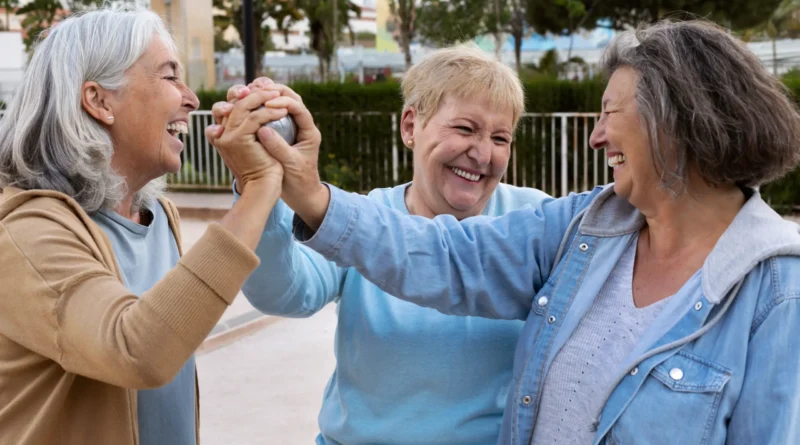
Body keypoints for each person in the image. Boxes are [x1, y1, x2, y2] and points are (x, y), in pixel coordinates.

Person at [259, 20, 800, 444]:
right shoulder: (584, 228)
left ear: (678, 122)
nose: (595, 136)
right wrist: (303, 192)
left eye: (610, 112)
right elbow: (446, 257)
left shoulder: (777, 289)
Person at [207, 44, 550, 445]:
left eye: (500, 138)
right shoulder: (364, 218)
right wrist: (258, 184)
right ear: (410, 126)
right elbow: (283, 293)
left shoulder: (533, 218)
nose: (482, 153)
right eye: (464, 129)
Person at [0, 6, 289, 445]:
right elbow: (138, 350)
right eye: (170, 76)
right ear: (98, 100)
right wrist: (258, 187)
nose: (191, 99)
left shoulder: (156, 218)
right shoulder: (25, 232)